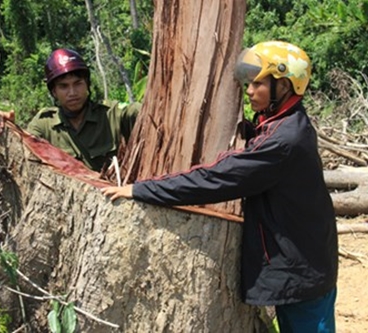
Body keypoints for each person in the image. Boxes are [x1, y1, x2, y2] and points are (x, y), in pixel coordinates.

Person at [101, 41, 338, 332]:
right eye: (249, 83)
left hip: (303, 271)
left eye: (258, 83)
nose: (249, 91)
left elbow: (215, 178)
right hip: (306, 260)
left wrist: (141, 189)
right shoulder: (284, 122)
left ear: (285, 87)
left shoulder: (283, 140)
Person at [0, 48, 140, 171]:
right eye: (64, 86)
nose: (72, 92)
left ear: (87, 84)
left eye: (78, 83)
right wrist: (10, 128)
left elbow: (140, 111)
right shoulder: (45, 123)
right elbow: (25, 151)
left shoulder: (110, 113)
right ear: (53, 91)